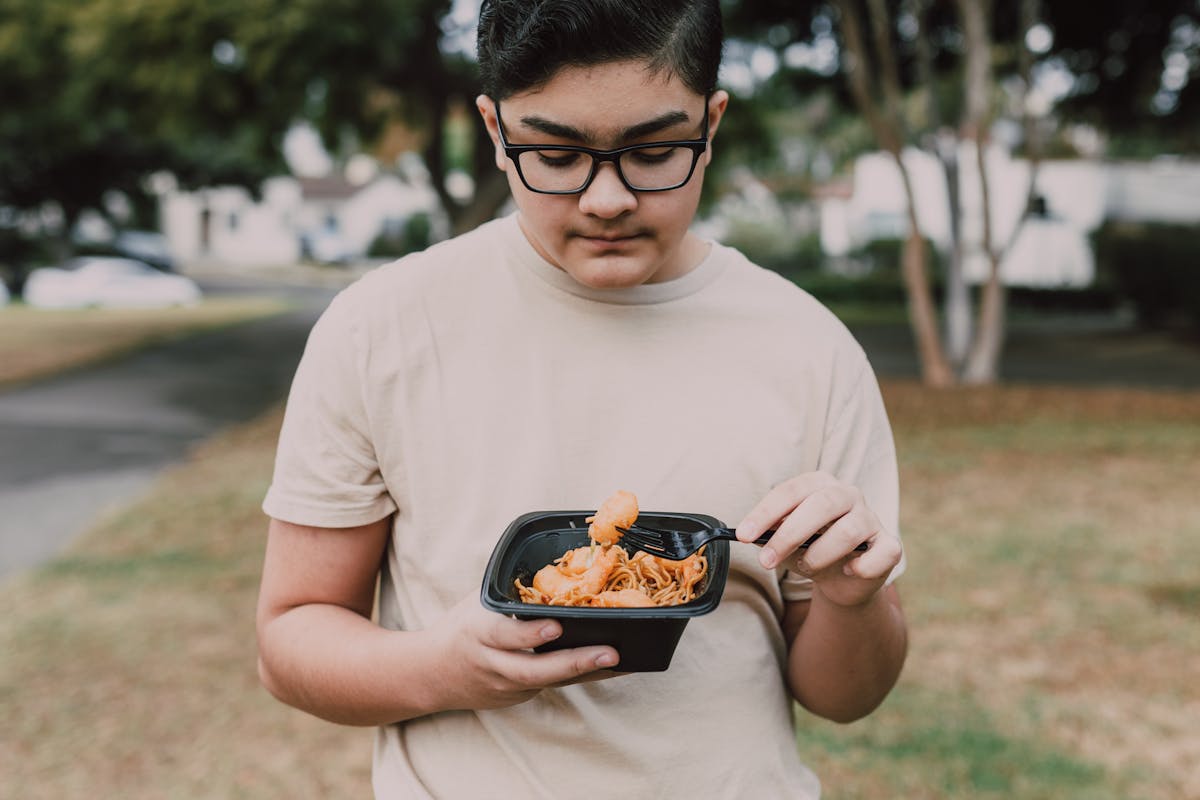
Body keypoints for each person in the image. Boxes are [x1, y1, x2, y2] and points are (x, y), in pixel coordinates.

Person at [255, 1, 908, 797]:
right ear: (495, 133)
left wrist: (849, 596)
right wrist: (444, 668)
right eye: (557, 155)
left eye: (654, 149)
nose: (607, 199)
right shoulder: (379, 329)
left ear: (712, 123)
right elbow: (290, 639)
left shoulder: (813, 349)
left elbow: (846, 697)